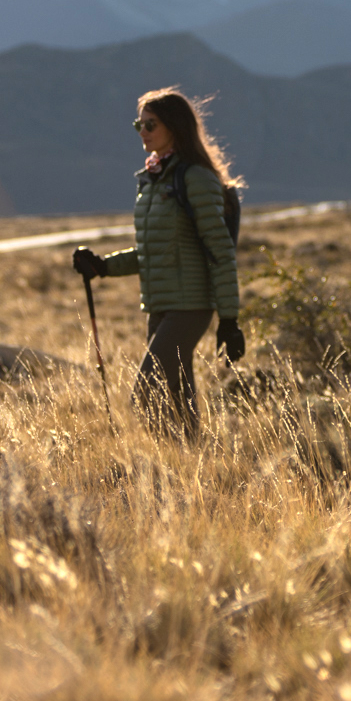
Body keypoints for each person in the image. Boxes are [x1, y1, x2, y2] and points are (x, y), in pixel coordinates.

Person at [72, 88, 243, 441]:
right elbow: (153, 251)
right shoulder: (152, 180)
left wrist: (229, 319)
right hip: (162, 305)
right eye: (139, 123)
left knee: (147, 391)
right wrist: (102, 266)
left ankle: (163, 463)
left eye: (151, 124)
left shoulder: (195, 178)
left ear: (175, 127)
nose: (142, 131)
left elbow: (220, 251)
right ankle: (193, 469)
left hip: (190, 305)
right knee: (177, 398)